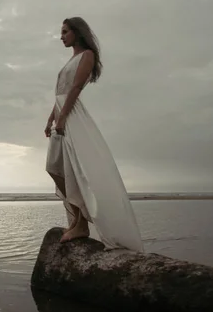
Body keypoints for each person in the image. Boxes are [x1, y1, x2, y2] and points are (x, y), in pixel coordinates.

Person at [45, 17, 144, 252]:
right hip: (61, 112)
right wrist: (51, 118)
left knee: (74, 168)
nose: (61, 36)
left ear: (77, 33)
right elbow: (61, 92)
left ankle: (81, 224)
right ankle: (78, 219)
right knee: (55, 167)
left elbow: (75, 89)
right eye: (61, 32)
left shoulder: (86, 55)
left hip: (72, 116)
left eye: (65, 31)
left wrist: (62, 117)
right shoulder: (70, 58)